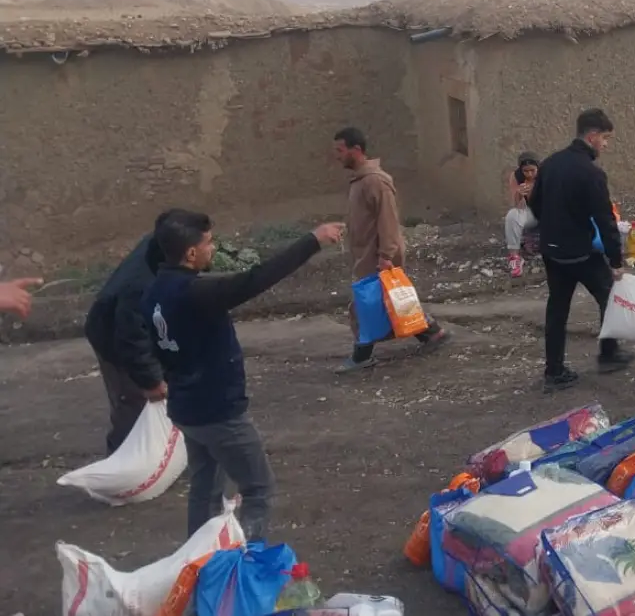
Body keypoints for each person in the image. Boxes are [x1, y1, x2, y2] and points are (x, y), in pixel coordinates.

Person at [142, 209, 345, 540]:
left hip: (186, 408)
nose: (213, 248)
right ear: (190, 253)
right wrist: (313, 240)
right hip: (218, 412)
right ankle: (250, 560)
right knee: (258, 488)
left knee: (205, 489)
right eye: (208, 243)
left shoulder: (154, 293)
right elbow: (255, 280)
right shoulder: (195, 294)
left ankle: (202, 559)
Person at [529, 108, 633, 391]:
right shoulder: (591, 173)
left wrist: (552, 226)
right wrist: (616, 260)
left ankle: (554, 371)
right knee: (610, 297)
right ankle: (609, 353)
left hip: (552, 250)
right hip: (581, 252)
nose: (606, 145)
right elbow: (605, 219)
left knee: (557, 308)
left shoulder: (550, 163)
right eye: (605, 138)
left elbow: (535, 203)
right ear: (592, 136)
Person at [331, 127, 448, 373]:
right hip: (366, 253)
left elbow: (388, 221)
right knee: (391, 301)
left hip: (376, 255)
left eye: (340, 150)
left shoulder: (375, 181)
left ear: (356, 150)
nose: (337, 156)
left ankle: (361, 356)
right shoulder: (361, 181)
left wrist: (386, 255)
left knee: (366, 305)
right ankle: (431, 332)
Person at [84, 211, 176, 453]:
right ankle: (120, 461)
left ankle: (160, 457)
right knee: (135, 403)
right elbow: (132, 337)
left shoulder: (162, 250)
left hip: (130, 329)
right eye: (205, 242)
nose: (211, 248)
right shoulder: (141, 285)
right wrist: (151, 379)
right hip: (112, 336)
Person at [505, 151, 541, 278]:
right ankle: (515, 257)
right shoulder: (516, 177)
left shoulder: (546, 174)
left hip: (550, 213)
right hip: (532, 214)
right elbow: (518, 206)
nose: (529, 174)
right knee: (512, 215)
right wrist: (519, 194)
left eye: (532, 170)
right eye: (526, 171)